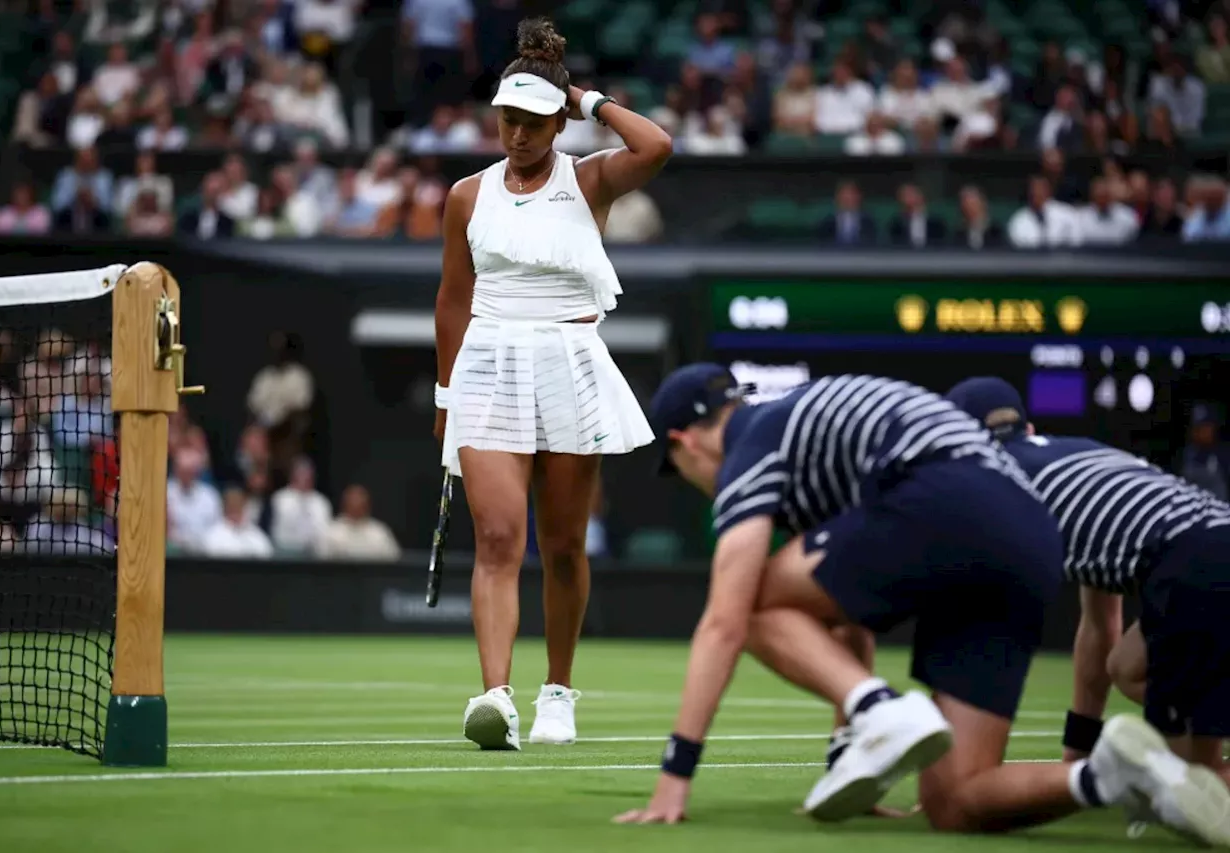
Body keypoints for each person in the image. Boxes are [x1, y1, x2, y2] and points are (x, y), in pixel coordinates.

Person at [614, 363, 1227, 846]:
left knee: (745, 603)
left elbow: (724, 623)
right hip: (1031, 539)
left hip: (948, 495)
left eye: (678, 468)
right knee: (956, 800)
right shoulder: (816, 444)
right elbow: (841, 614)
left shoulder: (751, 448)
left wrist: (676, 777)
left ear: (683, 441)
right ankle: (1112, 776)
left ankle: (883, 711)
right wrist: (847, 756)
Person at [432, 17, 672, 751]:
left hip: (568, 360)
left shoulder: (591, 176)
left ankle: (558, 694)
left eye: (535, 122)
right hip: (488, 367)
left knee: (563, 544)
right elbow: (451, 300)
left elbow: (658, 145)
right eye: (509, 120)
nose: (519, 135)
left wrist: (588, 101)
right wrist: (446, 398)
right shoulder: (466, 197)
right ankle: (495, 698)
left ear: (555, 120)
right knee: (499, 537)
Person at [947, 377, 1230, 810]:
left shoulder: (994, 486)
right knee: (1129, 666)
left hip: (1196, 565)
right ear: (1028, 428)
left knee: (1197, 786)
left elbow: (991, 640)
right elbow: (1101, 628)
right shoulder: (1083, 451)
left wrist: (971, 782)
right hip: (1212, 541)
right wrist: (1074, 760)